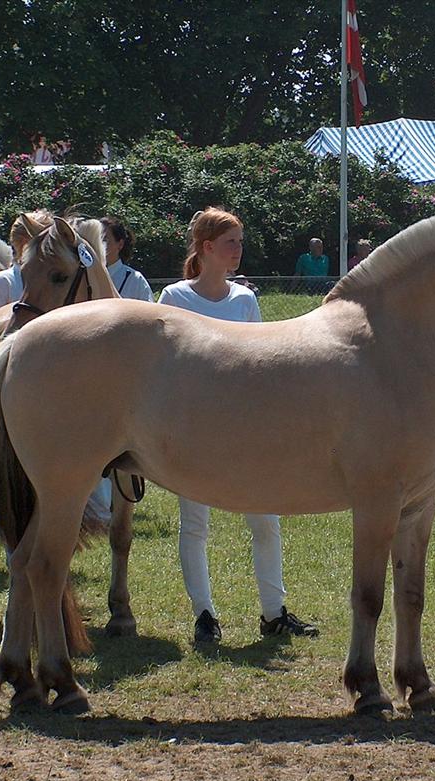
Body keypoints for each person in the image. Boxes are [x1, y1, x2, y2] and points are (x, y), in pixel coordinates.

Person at [158, 207, 319, 645]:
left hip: (247, 433)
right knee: (195, 524)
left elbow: (261, 365)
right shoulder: (174, 299)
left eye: (241, 241)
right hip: (195, 431)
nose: (239, 250)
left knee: (265, 522)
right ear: (207, 248)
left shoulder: (244, 299)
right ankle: (205, 615)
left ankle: (274, 613)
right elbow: (163, 372)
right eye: (232, 242)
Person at [99, 216, 151, 301]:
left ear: (120, 244)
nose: (98, 244)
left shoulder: (135, 280)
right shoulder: (85, 277)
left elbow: (149, 312)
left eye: (104, 240)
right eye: (96, 239)